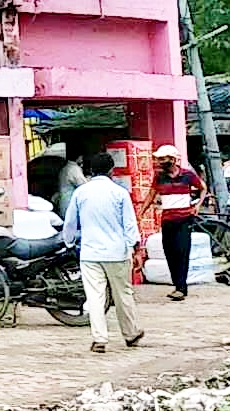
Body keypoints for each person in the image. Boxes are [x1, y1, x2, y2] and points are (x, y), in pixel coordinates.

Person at [62, 152, 144, 353]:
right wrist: (135, 247)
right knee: (123, 293)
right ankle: (131, 333)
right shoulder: (119, 193)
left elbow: (70, 222)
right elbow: (129, 224)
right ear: (111, 170)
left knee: (95, 297)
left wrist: (69, 242)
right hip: (117, 252)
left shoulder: (81, 193)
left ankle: (99, 338)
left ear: (89, 170)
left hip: (90, 253)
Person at [152, 144, 206, 301]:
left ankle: (181, 288)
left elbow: (203, 188)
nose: (161, 162)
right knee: (170, 253)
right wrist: (141, 212)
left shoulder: (188, 176)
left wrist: (197, 206)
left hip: (184, 219)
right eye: (159, 159)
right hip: (167, 220)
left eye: (163, 159)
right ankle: (177, 285)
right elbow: (151, 193)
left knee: (182, 252)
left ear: (173, 160)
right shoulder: (159, 177)